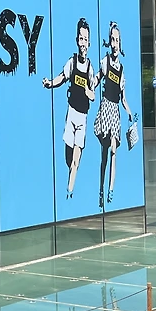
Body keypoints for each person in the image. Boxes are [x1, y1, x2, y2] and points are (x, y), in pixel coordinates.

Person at [43, 17, 95, 198]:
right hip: (71, 114)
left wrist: (89, 93)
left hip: (82, 117)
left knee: (76, 160)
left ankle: (69, 191)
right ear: (77, 40)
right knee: (68, 156)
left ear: (89, 43)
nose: (83, 43)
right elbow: (62, 77)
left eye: (85, 39)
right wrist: (50, 83)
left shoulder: (90, 68)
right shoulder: (72, 62)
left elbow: (93, 94)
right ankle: (69, 182)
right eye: (81, 39)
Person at [94, 21, 134, 207]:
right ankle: (101, 190)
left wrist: (130, 113)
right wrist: (90, 87)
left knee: (113, 150)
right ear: (109, 42)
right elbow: (97, 78)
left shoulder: (121, 70)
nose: (115, 43)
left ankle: (110, 189)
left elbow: (123, 98)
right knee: (105, 153)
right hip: (106, 108)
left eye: (117, 40)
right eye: (112, 40)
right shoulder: (106, 62)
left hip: (115, 110)